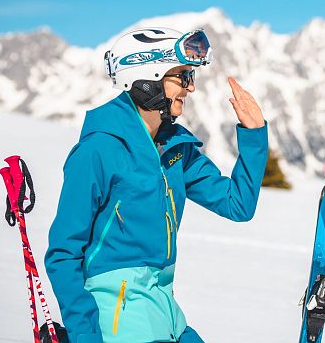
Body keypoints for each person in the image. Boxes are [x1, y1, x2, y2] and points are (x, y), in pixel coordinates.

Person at [44, 27, 268, 343]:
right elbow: (62, 254)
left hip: (165, 310)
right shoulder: (99, 151)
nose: (191, 88)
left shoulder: (175, 148)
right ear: (147, 76)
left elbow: (238, 205)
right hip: (117, 320)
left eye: (191, 77)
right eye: (183, 76)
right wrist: (84, 333)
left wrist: (254, 136)